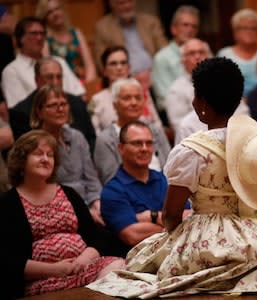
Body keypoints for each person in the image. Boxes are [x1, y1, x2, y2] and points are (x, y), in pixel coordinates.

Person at [86, 57, 257, 297]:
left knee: (143, 261)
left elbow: (173, 215)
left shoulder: (190, 150)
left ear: (201, 103)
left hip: (208, 235)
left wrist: (175, 240)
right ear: (237, 98)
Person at [0, 130, 124, 298]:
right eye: (38, 154)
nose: (45, 159)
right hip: (42, 280)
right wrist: (55, 269)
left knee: (119, 267)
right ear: (21, 160)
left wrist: (84, 258)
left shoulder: (68, 193)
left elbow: (97, 236)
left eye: (50, 155)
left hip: (84, 269)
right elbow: (8, 259)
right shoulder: (9, 203)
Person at [100, 121, 185, 257]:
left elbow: (188, 216)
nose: (145, 148)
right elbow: (132, 235)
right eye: (137, 143)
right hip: (140, 260)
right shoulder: (112, 192)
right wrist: (172, 223)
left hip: (178, 251)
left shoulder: (166, 179)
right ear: (121, 148)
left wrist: (152, 217)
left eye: (149, 143)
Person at [30, 84, 104, 225]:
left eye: (63, 104)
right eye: (52, 105)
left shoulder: (77, 137)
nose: (60, 109)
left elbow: (91, 177)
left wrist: (97, 202)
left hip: (89, 204)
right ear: (39, 112)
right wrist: (84, 211)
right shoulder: (34, 144)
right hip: (57, 210)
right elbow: (43, 189)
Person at [9, 57, 96, 152]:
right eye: (49, 77)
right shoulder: (20, 112)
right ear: (37, 80)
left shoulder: (77, 103)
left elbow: (91, 139)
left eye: (59, 77)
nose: (55, 82)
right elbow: (25, 154)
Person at [94, 78, 171, 185]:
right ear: (115, 104)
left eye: (138, 98)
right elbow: (110, 179)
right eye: (127, 98)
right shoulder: (105, 139)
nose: (134, 103)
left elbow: (171, 166)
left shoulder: (155, 130)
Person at [1, 16, 85, 108]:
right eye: (34, 33)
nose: (40, 37)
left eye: (42, 33)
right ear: (21, 38)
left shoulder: (58, 61)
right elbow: (18, 109)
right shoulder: (12, 71)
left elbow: (79, 94)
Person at [89, 46, 162, 135]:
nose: (119, 67)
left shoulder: (142, 92)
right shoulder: (96, 100)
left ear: (129, 68)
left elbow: (157, 125)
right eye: (113, 64)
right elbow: (96, 135)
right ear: (104, 71)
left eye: (123, 63)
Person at [94, 0, 167, 75]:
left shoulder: (150, 22)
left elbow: (164, 50)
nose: (127, 6)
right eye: (122, 3)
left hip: (155, 73)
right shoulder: (103, 27)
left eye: (130, 1)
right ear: (112, 4)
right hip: (124, 77)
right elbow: (101, 62)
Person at [35, 0, 97, 84]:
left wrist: (87, 86)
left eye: (57, 9)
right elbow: (47, 71)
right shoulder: (45, 39)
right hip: (59, 85)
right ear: (44, 17)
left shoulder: (76, 33)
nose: (55, 14)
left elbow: (90, 66)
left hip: (83, 83)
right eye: (49, 12)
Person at [151, 5, 199, 111]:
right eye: (185, 25)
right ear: (174, 29)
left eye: (194, 26)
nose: (190, 30)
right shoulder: (162, 58)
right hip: (175, 113)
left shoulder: (203, 52)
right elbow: (165, 99)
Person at [217, 8, 257, 97]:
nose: (249, 32)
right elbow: (220, 85)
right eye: (244, 28)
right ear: (235, 31)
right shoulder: (225, 54)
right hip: (236, 102)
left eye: (253, 28)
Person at [165, 38, 210, 132]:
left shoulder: (223, 81)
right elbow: (179, 126)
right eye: (192, 53)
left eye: (201, 52)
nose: (197, 57)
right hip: (195, 142)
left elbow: (241, 112)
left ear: (208, 56)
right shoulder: (176, 89)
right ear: (183, 59)